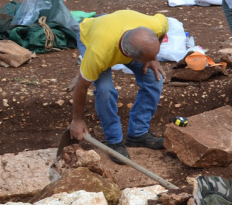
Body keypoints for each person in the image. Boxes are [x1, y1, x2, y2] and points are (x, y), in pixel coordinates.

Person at [70, 10, 169, 162]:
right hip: (91, 35)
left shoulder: (154, 25)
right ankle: (114, 141)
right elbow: (81, 86)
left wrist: (153, 58)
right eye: (145, 57)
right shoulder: (99, 53)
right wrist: (77, 120)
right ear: (129, 57)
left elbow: (163, 29)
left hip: (119, 30)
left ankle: (138, 134)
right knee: (105, 90)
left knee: (154, 79)